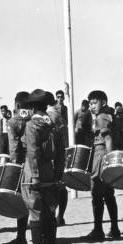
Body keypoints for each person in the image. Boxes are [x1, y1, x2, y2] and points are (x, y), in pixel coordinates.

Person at [18, 89, 61, 244]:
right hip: (50, 172)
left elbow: (33, 152)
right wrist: (58, 173)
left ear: (33, 108)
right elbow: (61, 153)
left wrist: (34, 175)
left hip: (34, 172)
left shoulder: (31, 125)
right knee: (50, 212)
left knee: (35, 211)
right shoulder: (54, 125)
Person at [85, 90, 121, 240]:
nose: (92, 106)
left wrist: (108, 162)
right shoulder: (107, 115)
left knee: (97, 194)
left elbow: (108, 139)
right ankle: (114, 228)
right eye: (90, 103)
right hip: (102, 154)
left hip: (101, 155)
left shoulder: (101, 117)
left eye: (95, 103)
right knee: (108, 194)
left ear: (103, 103)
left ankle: (98, 230)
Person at [2, 91, 32, 244]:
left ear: (17, 105)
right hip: (38, 163)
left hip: (23, 164)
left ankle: (21, 237)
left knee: (22, 200)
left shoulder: (13, 122)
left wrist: (14, 164)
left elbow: (13, 147)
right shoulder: (35, 119)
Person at [49, 90, 70, 224]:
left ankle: (56, 216)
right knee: (60, 186)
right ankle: (58, 216)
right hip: (59, 154)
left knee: (53, 187)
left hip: (53, 155)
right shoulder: (56, 114)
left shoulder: (50, 115)